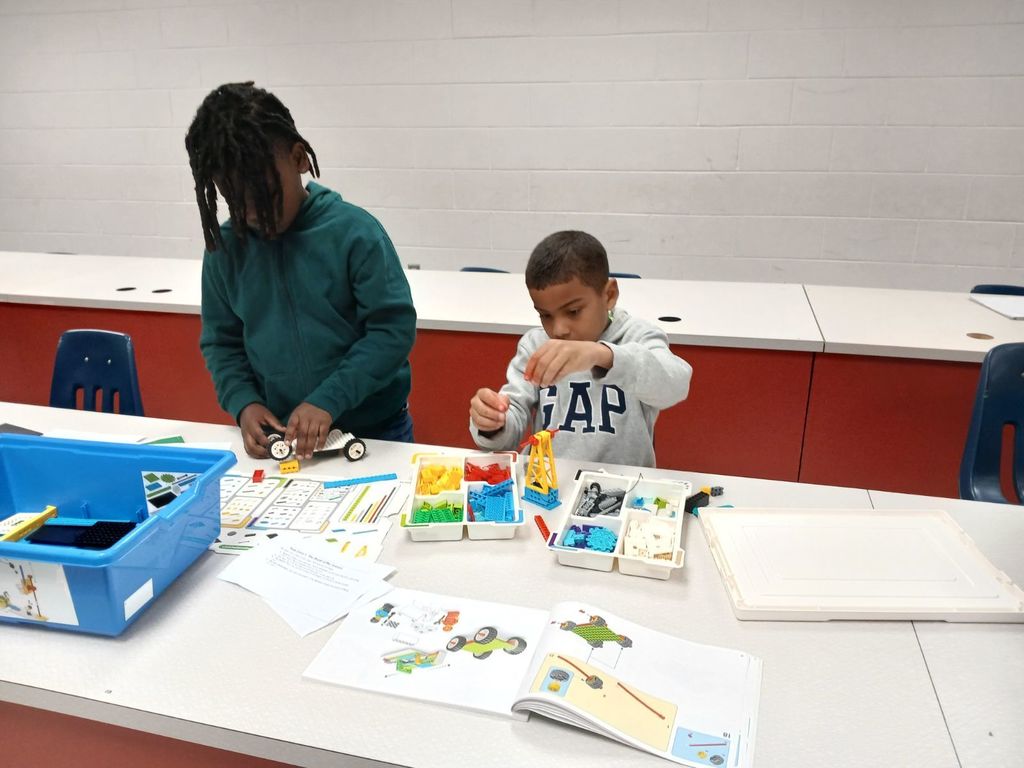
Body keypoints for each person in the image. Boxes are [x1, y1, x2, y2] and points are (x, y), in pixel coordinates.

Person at [185, 81, 416, 459]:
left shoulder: (354, 233)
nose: (254, 214)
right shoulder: (225, 251)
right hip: (284, 440)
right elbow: (221, 343)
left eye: (266, 195)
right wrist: (243, 403)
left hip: (375, 433)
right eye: (236, 202)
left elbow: (391, 332)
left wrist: (328, 399)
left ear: (299, 159)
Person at [469, 230, 691, 468]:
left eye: (573, 312)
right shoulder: (536, 345)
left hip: (620, 488)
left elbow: (676, 384)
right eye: (545, 315)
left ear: (609, 295)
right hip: (550, 485)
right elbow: (509, 430)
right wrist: (493, 421)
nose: (559, 329)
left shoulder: (636, 336)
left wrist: (601, 355)